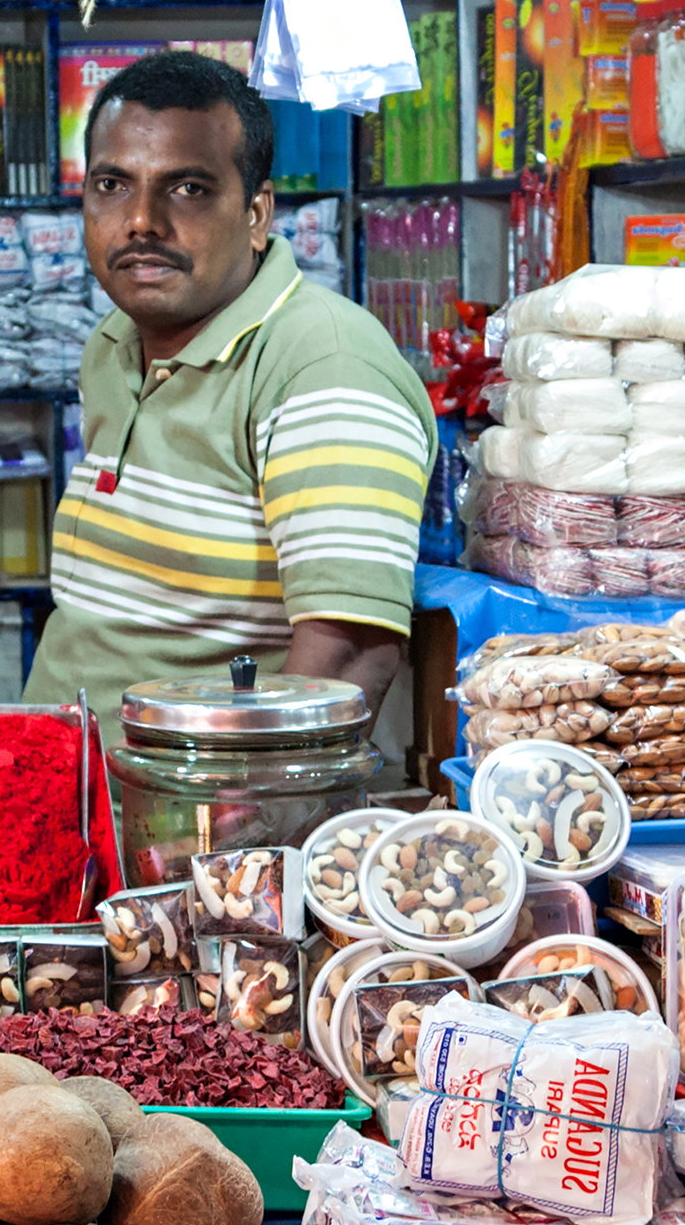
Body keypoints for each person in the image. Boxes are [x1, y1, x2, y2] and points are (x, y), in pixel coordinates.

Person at [28, 49, 435, 727]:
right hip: (62, 785)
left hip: (192, 812)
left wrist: (240, 824)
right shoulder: (114, 345)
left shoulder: (323, 364)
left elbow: (351, 655)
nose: (141, 221)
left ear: (256, 213)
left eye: (187, 188)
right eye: (112, 185)